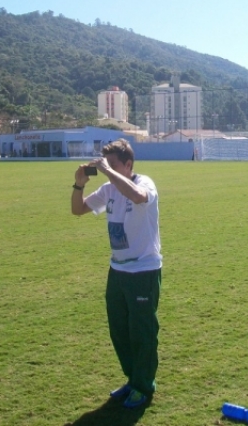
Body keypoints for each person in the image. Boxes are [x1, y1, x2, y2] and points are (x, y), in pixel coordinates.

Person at [71, 139, 161, 409]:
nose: (106, 168)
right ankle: (133, 379)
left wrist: (108, 171)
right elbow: (78, 210)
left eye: (112, 164)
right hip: (118, 270)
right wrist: (79, 184)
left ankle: (144, 386)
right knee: (119, 330)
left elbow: (138, 196)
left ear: (128, 164)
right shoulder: (108, 189)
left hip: (143, 270)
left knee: (142, 331)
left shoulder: (144, 183)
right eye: (104, 163)